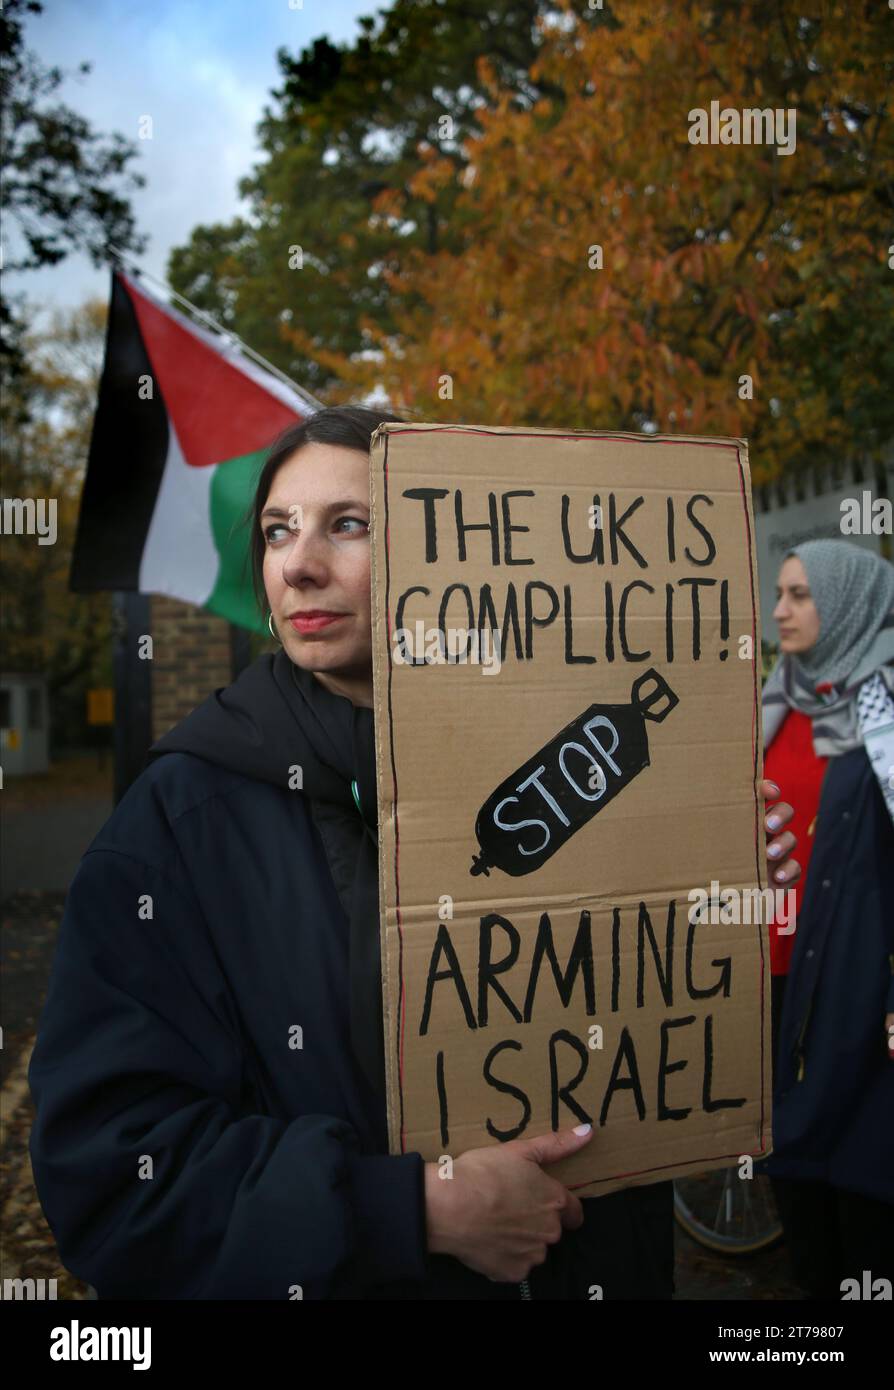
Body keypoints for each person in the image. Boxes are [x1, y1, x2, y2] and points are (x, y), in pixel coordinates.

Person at [28, 405, 801, 1300]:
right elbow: (115, 1173)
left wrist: (720, 908)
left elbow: (644, 1042)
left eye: (348, 524)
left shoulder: (562, 764)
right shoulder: (176, 826)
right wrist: (408, 1211)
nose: (298, 564)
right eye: (279, 531)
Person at [763, 539, 894, 1299]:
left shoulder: (879, 706)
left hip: (858, 988)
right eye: (779, 593)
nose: (780, 610)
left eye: (801, 595)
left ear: (846, 602)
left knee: (861, 1194)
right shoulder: (779, 697)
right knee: (799, 1188)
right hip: (776, 977)